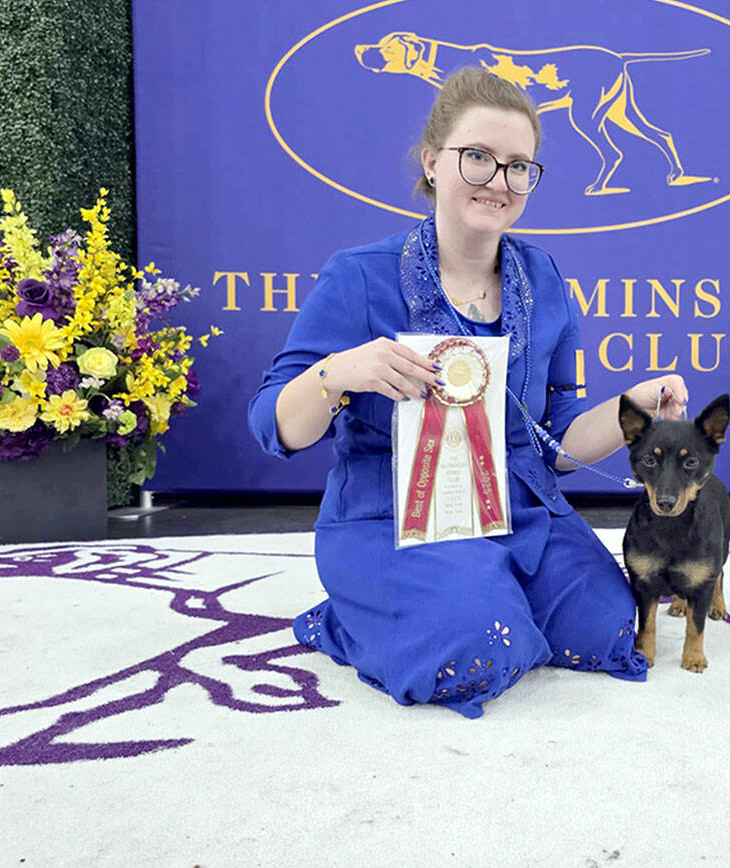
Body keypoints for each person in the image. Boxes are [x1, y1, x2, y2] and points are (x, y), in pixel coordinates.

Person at [248, 66, 688, 718]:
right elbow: (272, 425)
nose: (498, 181)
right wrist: (338, 373)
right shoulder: (357, 278)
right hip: (393, 521)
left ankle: (482, 584)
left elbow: (558, 440)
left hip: (519, 511)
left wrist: (635, 412)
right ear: (432, 161)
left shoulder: (546, 279)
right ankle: (350, 617)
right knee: (476, 649)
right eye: (477, 157)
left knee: (609, 629)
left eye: (519, 166)